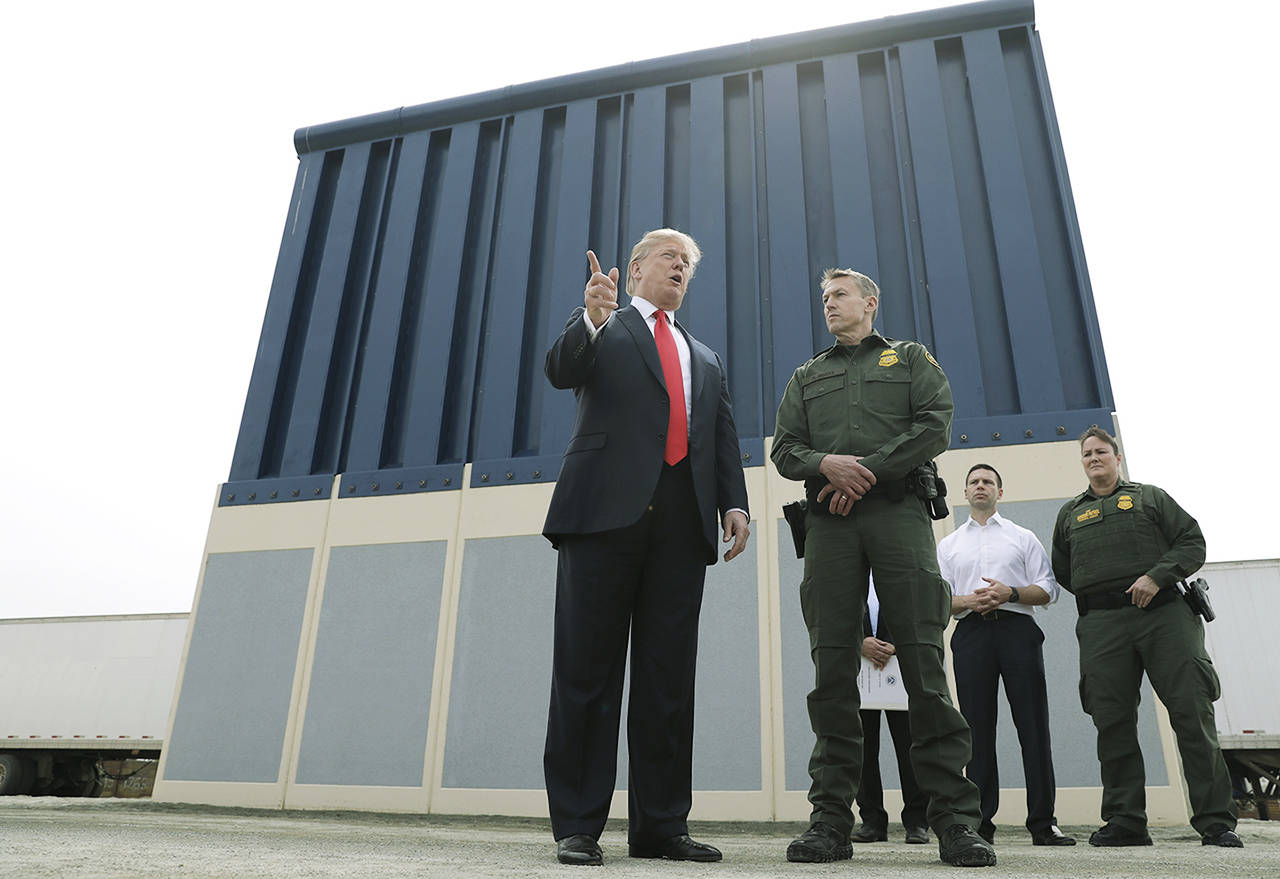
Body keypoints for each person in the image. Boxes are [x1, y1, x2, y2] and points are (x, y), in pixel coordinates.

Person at [541, 229, 752, 866]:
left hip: (681, 528)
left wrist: (733, 501)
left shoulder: (705, 357)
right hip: (604, 517)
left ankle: (661, 825)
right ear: (635, 268)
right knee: (587, 673)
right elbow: (561, 371)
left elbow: (721, 433)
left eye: (688, 263)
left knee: (667, 682)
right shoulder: (604, 326)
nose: (682, 269)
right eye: (671, 258)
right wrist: (591, 318)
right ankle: (578, 824)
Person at [771, 268, 994, 867]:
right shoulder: (806, 376)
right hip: (830, 526)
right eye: (823, 298)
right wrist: (826, 465)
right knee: (832, 670)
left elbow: (934, 425)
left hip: (898, 516)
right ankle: (830, 822)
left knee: (923, 662)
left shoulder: (911, 358)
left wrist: (862, 471)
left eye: (840, 295)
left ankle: (953, 820)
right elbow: (784, 449)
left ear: (870, 302)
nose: (829, 304)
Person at [1051, 426, 1241, 848]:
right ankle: (1126, 821)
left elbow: (1192, 542)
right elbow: (1065, 571)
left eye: (1101, 451)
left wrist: (1157, 576)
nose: (1094, 458)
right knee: (1112, 721)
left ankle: (1215, 822)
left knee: (1192, 714)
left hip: (1164, 618)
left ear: (1117, 458)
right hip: (1102, 625)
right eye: (1087, 454)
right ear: (1082, 463)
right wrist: (1104, 596)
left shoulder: (1150, 498)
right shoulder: (1069, 514)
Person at [938, 464, 1074, 846]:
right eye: (974, 482)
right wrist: (968, 600)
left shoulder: (1022, 537)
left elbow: (1048, 589)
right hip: (971, 633)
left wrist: (1009, 593)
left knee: (1033, 727)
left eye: (988, 482)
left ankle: (1044, 824)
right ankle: (979, 825)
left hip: (1017, 631)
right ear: (964, 493)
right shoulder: (948, 545)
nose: (981, 486)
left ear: (1001, 491)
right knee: (977, 732)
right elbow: (938, 599)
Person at [852, 579, 930, 846]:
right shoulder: (849, 566)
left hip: (902, 665)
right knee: (863, 746)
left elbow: (922, 607)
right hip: (860, 668)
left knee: (910, 744)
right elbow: (833, 610)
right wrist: (859, 641)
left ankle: (918, 821)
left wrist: (896, 643)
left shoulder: (899, 563)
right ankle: (872, 821)